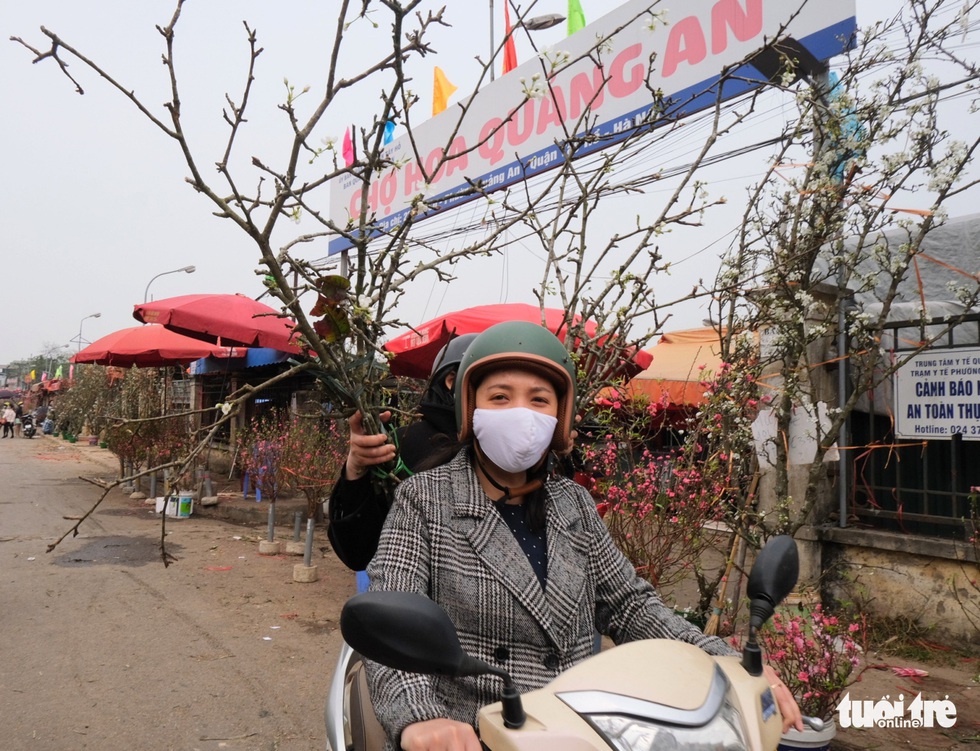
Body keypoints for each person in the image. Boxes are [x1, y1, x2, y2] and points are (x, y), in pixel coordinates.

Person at [364, 321, 803, 751]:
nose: (521, 413)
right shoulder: (423, 499)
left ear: (559, 417)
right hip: (471, 733)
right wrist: (422, 718)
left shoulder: (572, 503)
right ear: (469, 409)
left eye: (539, 400)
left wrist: (723, 660)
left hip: (575, 730)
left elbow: (630, 606)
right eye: (500, 397)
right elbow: (395, 630)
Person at [327, 333, 479, 572]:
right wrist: (355, 470)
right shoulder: (400, 443)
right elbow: (357, 552)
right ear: (452, 380)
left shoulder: (520, 454)